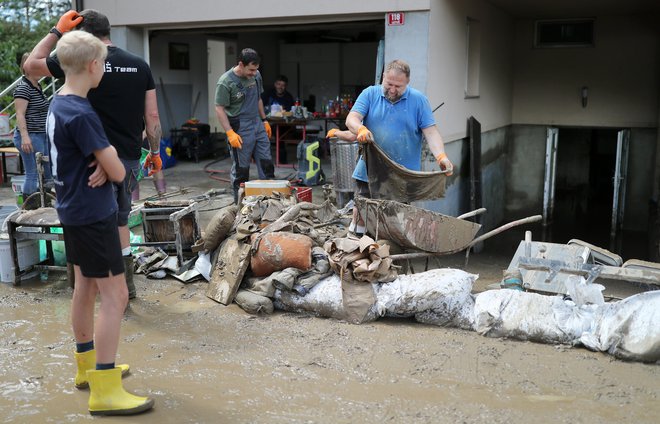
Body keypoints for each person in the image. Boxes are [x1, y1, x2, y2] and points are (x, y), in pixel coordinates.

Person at [46, 30, 154, 416]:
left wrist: (102, 168)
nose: (104, 68)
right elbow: (119, 172)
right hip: (93, 214)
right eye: (104, 64)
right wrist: (110, 170)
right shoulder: (82, 111)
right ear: (94, 66)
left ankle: (86, 368)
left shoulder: (57, 103)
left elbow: (93, 161)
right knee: (116, 296)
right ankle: (105, 388)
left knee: (86, 288)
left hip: (72, 209)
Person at [25, 9, 163, 299]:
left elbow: (31, 66)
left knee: (83, 221)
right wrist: (154, 152)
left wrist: (56, 31)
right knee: (121, 220)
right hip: (125, 159)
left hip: (83, 160)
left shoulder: (78, 62)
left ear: (80, 34)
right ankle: (126, 287)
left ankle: (82, 288)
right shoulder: (139, 65)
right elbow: (152, 117)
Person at [344, 59, 454, 235]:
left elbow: (431, 133)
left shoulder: (419, 101)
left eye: (398, 86)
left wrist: (441, 156)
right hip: (369, 169)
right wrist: (360, 128)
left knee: (395, 220)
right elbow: (352, 118)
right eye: (389, 84)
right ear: (383, 77)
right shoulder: (370, 94)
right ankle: (356, 245)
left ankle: (389, 253)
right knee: (362, 211)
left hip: (402, 175)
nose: (393, 90)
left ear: (407, 83)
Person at [215, 48, 274, 203]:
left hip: (257, 122)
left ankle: (271, 203)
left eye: (256, 69)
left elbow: (258, 99)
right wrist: (229, 132)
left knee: (266, 162)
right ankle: (240, 207)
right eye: (251, 70)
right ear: (241, 64)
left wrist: (265, 120)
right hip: (240, 127)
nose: (254, 73)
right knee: (242, 169)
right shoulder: (226, 81)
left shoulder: (256, 75)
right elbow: (219, 108)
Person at [13, 52, 52, 198]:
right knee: (33, 173)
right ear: (27, 67)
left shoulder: (37, 86)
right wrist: (25, 137)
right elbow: (19, 114)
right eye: (36, 65)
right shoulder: (24, 88)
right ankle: (29, 206)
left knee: (47, 171)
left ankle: (46, 201)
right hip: (30, 135)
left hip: (41, 134)